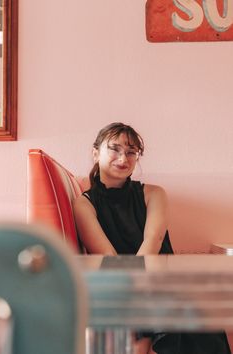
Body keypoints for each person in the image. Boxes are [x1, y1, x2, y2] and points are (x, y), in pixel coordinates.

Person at [74, 122, 231, 354]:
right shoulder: (84, 204)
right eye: (115, 149)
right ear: (96, 153)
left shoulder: (154, 193)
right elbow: (108, 257)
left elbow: (154, 240)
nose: (123, 158)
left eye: (131, 152)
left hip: (160, 277)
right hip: (120, 279)